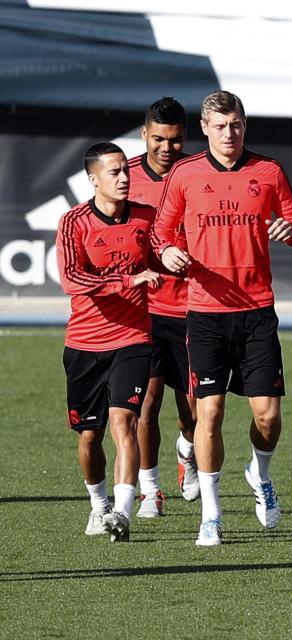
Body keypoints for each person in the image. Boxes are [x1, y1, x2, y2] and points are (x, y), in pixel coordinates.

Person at [151, 90, 292, 546]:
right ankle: (212, 514)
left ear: (245, 125)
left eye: (236, 124)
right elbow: (161, 233)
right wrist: (169, 253)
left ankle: (259, 476)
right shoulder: (185, 174)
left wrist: (290, 230)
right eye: (220, 126)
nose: (229, 133)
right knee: (211, 412)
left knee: (267, 416)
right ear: (204, 128)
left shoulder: (269, 171)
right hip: (204, 313)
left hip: (257, 312)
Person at [56, 142, 162, 542]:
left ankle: (121, 512)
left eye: (125, 171)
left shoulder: (146, 217)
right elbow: (71, 279)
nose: (123, 178)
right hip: (84, 344)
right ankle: (99, 504)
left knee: (125, 421)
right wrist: (125, 280)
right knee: (89, 437)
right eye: (114, 172)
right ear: (93, 179)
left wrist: (169, 256)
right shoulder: (73, 222)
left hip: (133, 338)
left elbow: (160, 249)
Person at [127, 96, 198, 517]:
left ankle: (187, 452)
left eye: (173, 140)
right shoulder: (126, 177)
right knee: (146, 402)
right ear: (144, 135)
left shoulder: (197, 173)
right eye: (158, 139)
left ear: (184, 137)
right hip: (146, 309)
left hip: (193, 307)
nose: (166, 148)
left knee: (193, 410)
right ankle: (150, 488)